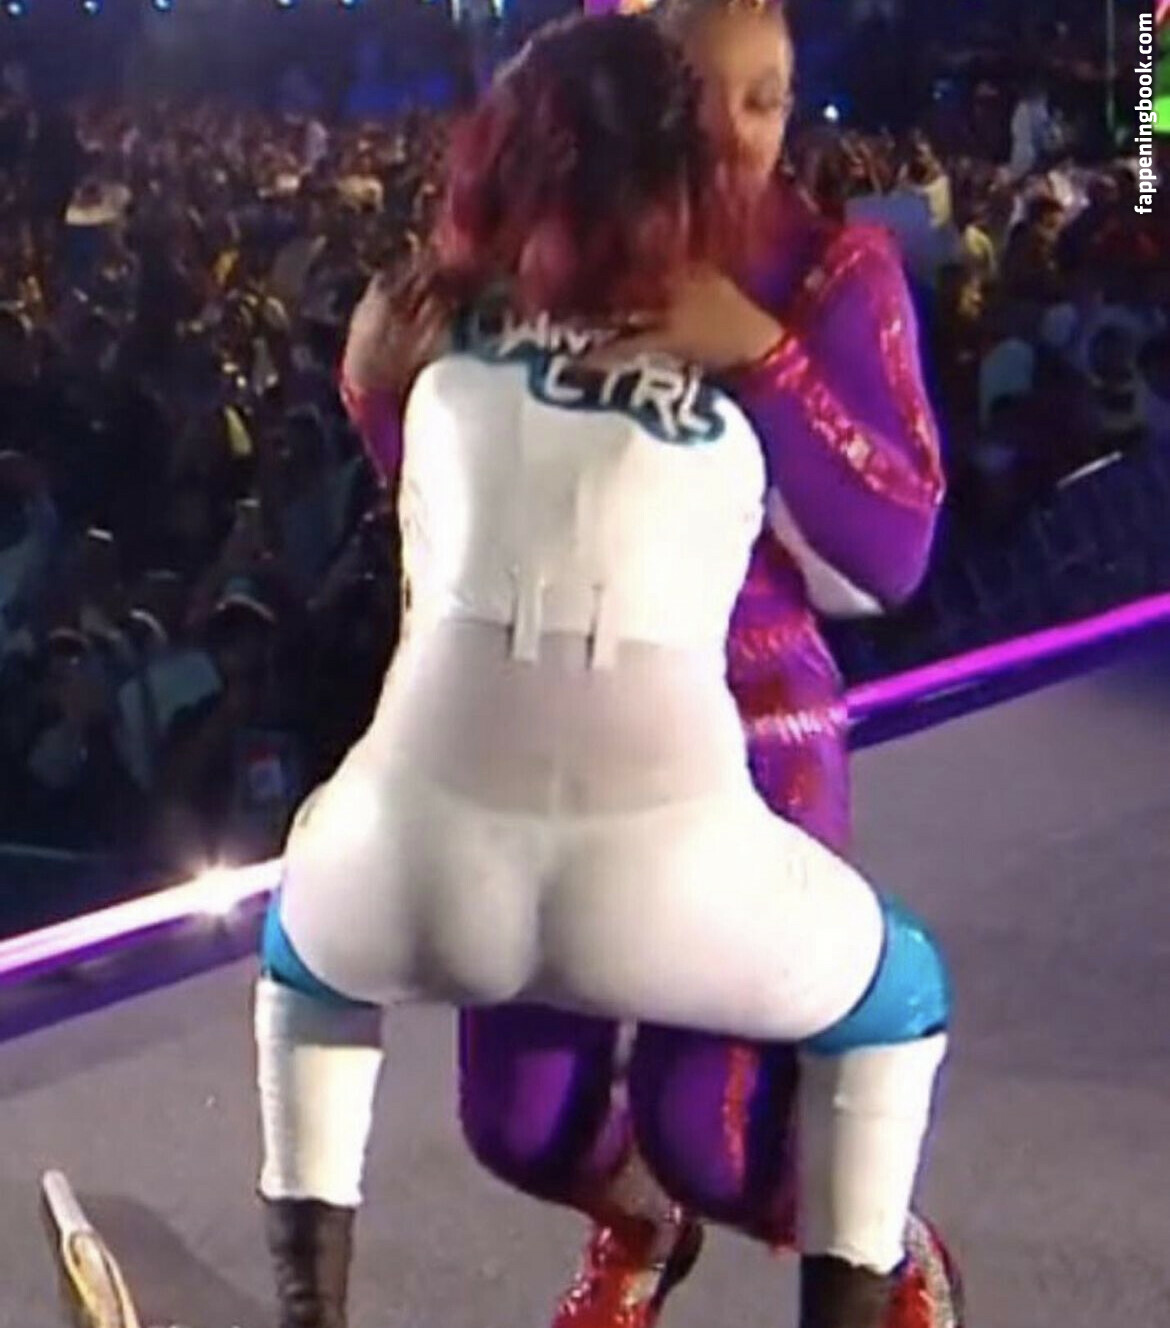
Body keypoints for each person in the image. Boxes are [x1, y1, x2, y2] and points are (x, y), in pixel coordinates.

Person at [259, 13, 951, 1328]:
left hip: (751, 726)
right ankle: (639, 1230)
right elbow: (450, 511)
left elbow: (897, 547)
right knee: (521, 1127)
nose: (740, 135)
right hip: (519, 736)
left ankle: (877, 1247)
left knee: (716, 1136)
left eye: (770, 101)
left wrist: (762, 358)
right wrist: (379, 382)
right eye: (706, 97)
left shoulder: (830, 269)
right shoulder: (531, 248)